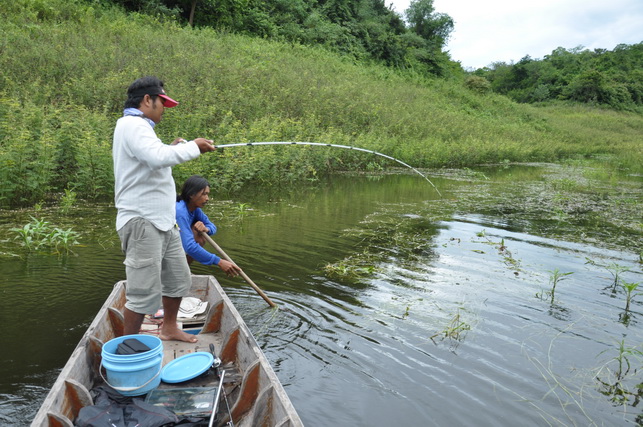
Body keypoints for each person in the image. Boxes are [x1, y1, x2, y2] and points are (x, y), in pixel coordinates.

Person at [113, 76, 216, 343]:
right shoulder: (132, 125)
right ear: (147, 100)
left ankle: (169, 327)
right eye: (162, 103)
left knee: (178, 278)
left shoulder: (142, 128)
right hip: (142, 221)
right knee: (142, 290)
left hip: (163, 221)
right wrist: (194, 147)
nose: (163, 109)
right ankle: (127, 346)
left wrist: (172, 149)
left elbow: (154, 158)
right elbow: (157, 157)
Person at [176, 175, 242, 277]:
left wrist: (206, 229)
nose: (207, 199)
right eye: (204, 194)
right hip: (161, 247)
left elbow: (212, 226)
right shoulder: (180, 211)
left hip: (174, 245)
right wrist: (219, 262)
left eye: (207, 194)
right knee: (195, 240)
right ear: (191, 194)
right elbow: (189, 247)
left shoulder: (195, 209)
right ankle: (178, 272)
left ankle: (182, 270)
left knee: (200, 237)